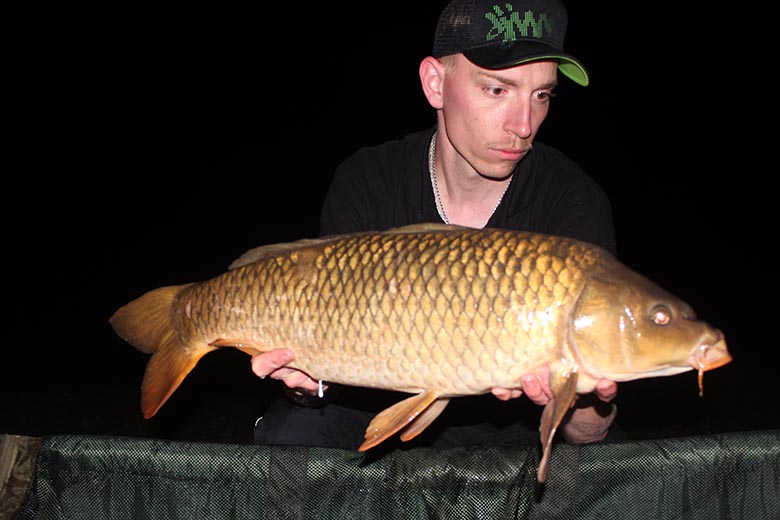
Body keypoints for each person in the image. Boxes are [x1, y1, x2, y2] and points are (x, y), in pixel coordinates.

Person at [252, 0, 621, 450]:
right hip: (373, 395)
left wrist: (580, 396)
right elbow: (326, 354)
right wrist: (305, 380)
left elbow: (592, 434)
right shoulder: (368, 180)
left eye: (541, 94)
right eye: (497, 90)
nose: (524, 125)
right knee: (291, 431)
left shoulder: (573, 202)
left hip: (511, 425)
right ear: (435, 83)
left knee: (583, 476)